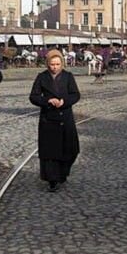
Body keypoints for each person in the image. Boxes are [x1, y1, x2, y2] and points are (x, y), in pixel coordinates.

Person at [29, 49, 81, 192]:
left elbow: (76, 95)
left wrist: (64, 101)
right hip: (48, 119)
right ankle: (52, 179)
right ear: (48, 64)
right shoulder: (42, 77)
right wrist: (47, 100)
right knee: (50, 152)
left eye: (57, 64)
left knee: (71, 149)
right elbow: (33, 97)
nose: (55, 67)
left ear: (62, 64)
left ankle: (62, 173)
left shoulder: (68, 76)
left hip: (65, 117)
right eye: (52, 64)